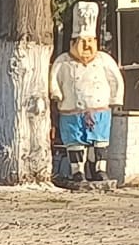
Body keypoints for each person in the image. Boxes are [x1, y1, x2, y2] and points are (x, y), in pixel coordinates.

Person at [49, 33, 125, 183]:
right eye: (82, 41)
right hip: (71, 110)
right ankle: (77, 172)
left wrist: (116, 98)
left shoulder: (104, 59)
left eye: (90, 41)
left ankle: (99, 170)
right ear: (72, 43)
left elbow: (116, 79)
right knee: (75, 142)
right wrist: (56, 92)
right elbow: (54, 79)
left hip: (99, 110)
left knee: (100, 142)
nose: (86, 45)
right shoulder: (63, 61)